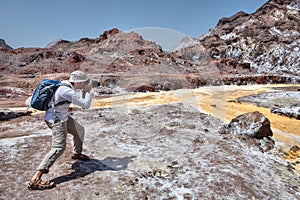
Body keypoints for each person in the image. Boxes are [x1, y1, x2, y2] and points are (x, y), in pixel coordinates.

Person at [28, 70, 93, 190]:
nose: (83, 85)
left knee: (79, 130)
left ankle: (77, 153)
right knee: (58, 147)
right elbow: (85, 105)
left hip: (62, 117)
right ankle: (35, 179)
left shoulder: (64, 85)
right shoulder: (66, 91)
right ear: (77, 82)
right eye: (82, 83)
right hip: (56, 120)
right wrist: (88, 91)